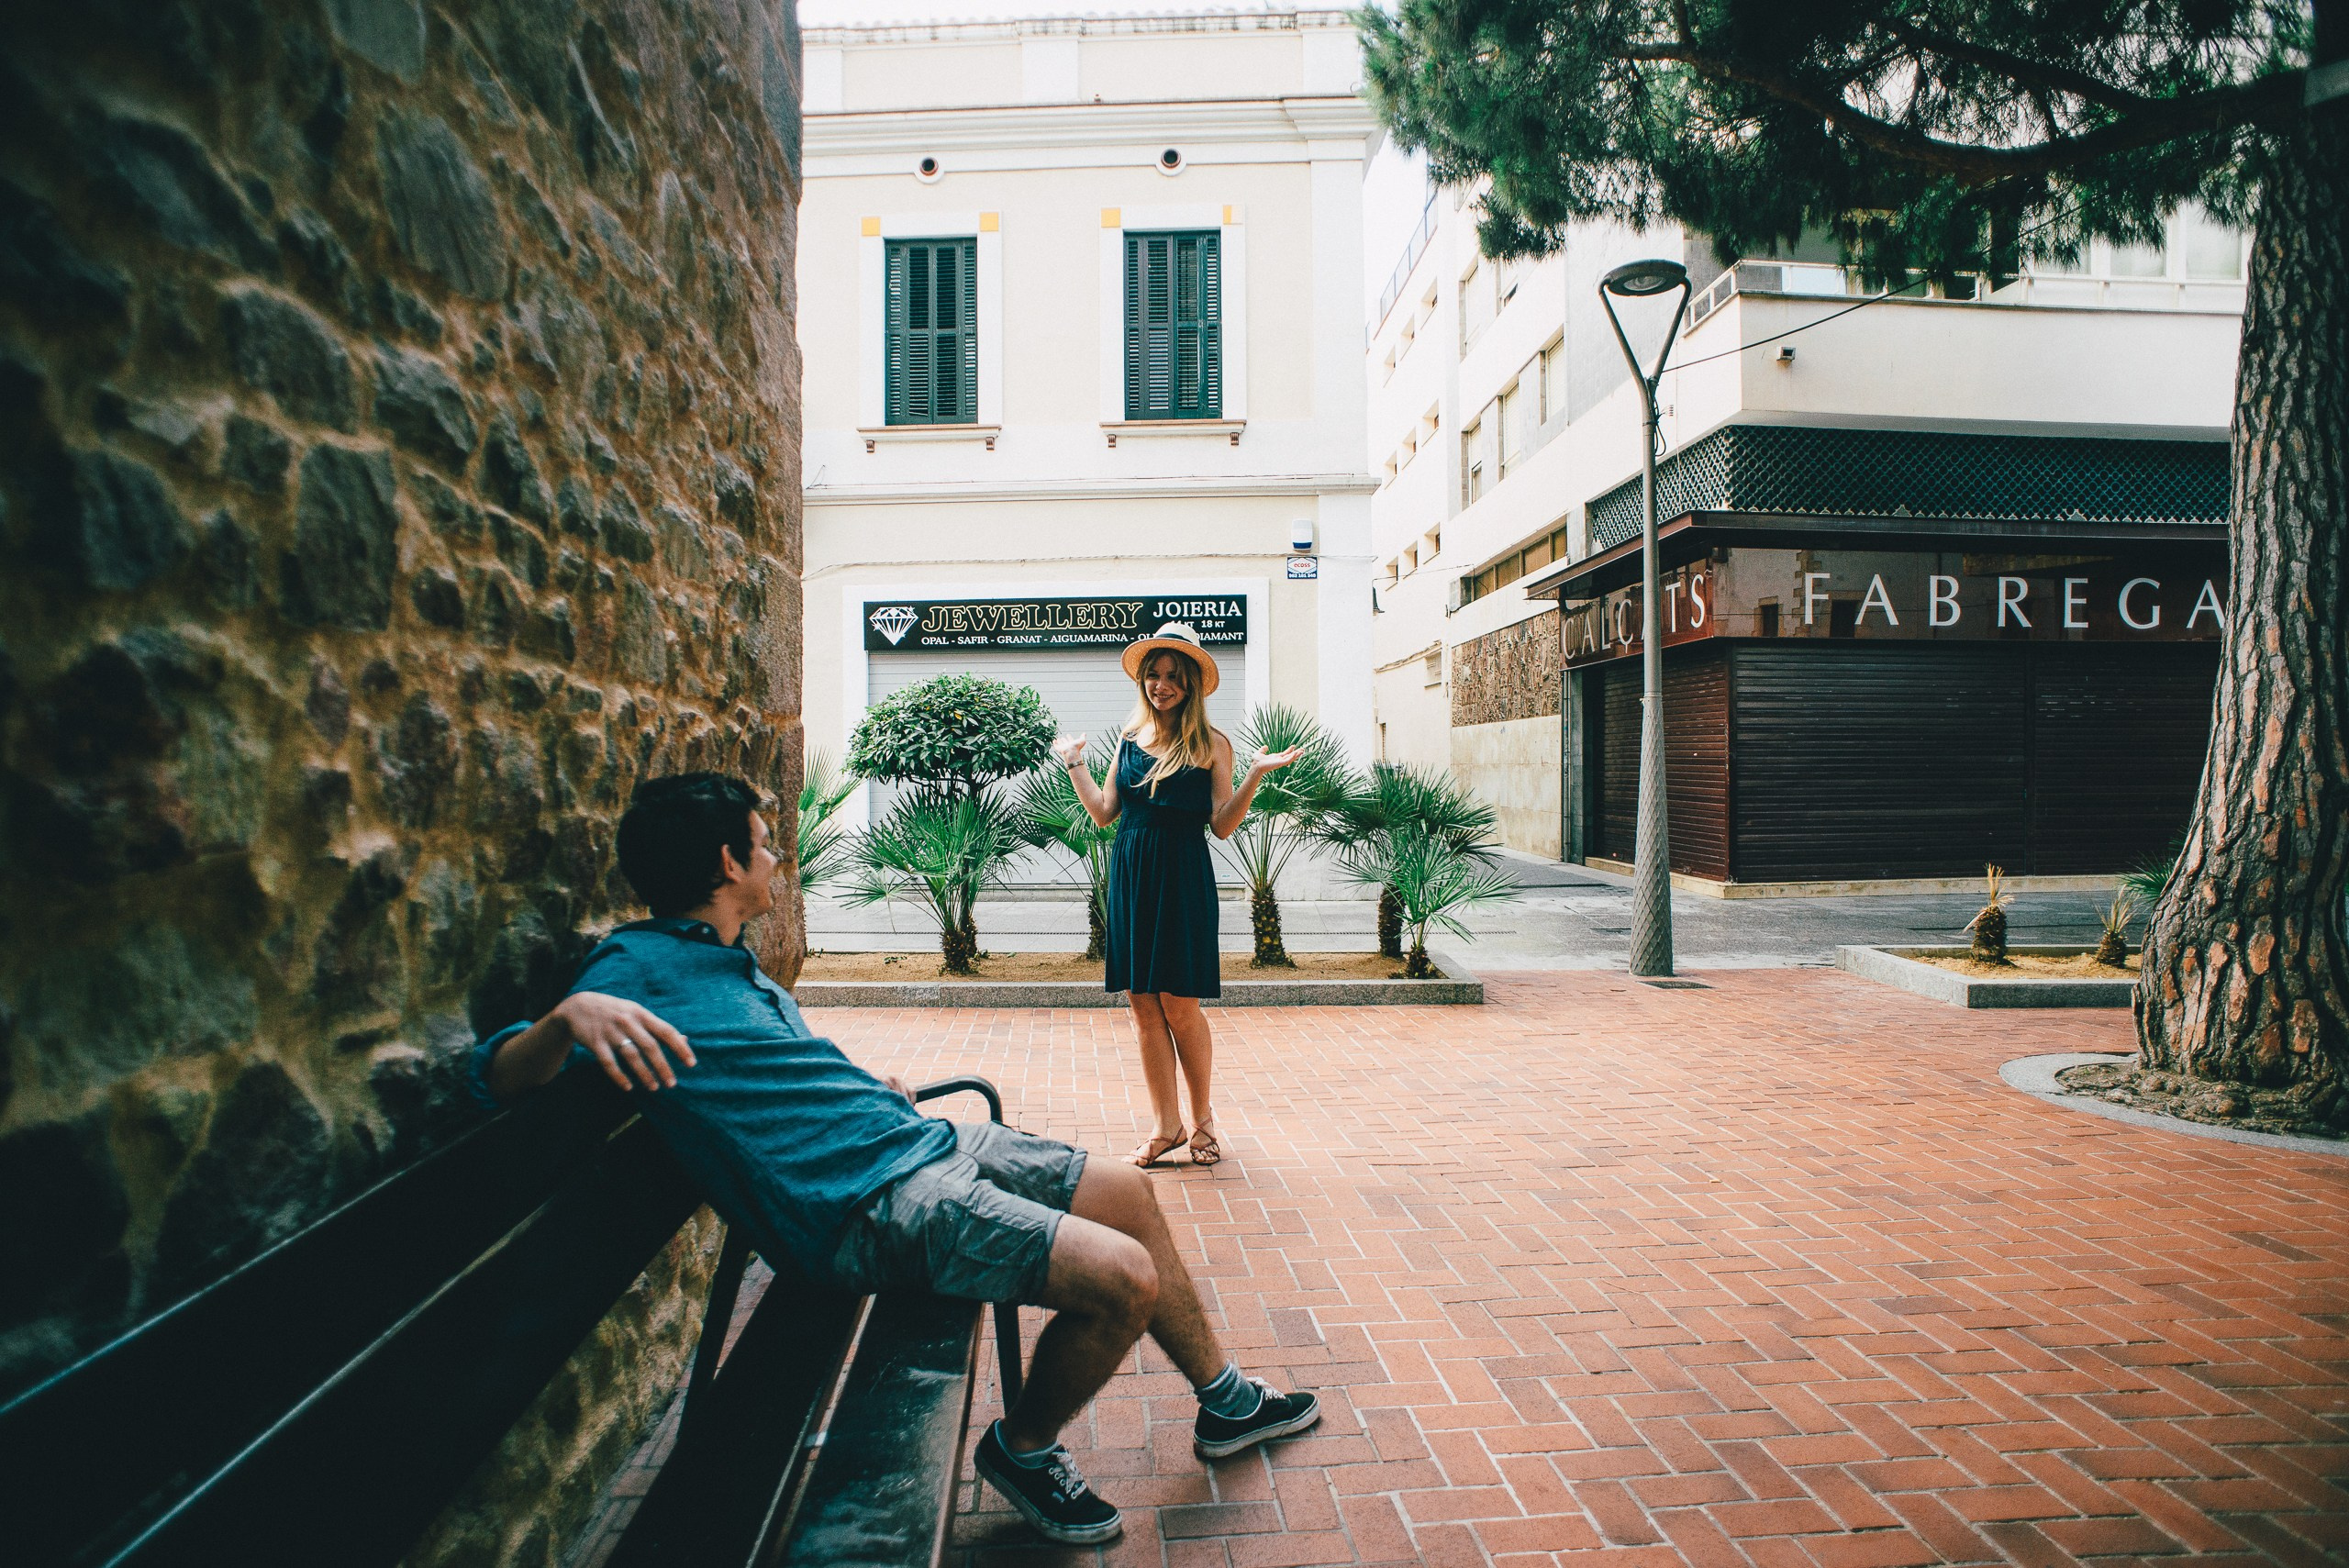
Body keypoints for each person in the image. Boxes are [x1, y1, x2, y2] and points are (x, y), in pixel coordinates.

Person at [470, 773, 1316, 1546]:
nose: (776, 855)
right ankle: (1023, 1449)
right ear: (728, 862)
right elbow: (492, 1078)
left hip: (910, 1143)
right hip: (867, 1202)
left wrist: (860, 1084)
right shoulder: (632, 970)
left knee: (1127, 1192)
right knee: (1124, 1277)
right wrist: (564, 1020)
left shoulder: (724, 960)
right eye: (764, 842)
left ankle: (1226, 1401)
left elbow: (768, 1073)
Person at [1053, 623, 1297, 1168]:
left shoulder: (1213, 745)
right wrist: (1073, 762)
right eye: (1153, 676)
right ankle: (1167, 1126)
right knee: (1142, 1004)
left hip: (1183, 876)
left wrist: (1254, 774)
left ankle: (1204, 1120)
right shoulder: (1127, 739)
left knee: (1180, 1006)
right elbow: (1103, 812)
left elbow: (1222, 825)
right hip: (1133, 875)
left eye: (1172, 678)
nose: (1160, 686)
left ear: (1190, 686)